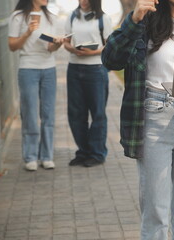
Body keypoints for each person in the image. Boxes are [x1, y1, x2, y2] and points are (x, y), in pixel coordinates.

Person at [101, 0, 174, 238]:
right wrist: (133, 19)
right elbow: (110, 59)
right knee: (155, 213)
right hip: (153, 115)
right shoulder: (145, 20)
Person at [8, 0, 64, 171]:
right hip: (28, 69)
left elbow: (50, 48)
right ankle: (30, 157)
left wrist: (58, 44)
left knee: (48, 115)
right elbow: (12, 46)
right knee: (30, 114)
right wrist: (27, 33)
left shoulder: (51, 17)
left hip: (49, 69)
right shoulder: (17, 16)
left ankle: (47, 156)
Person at [63, 0, 112, 168]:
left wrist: (93, 52)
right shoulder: (72, 17)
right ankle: (83, 152)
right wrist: (73, 50)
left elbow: (109, 46)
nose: (83, 1)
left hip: (96, 70)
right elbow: (66, 42)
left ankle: (97, 153)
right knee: (76, 113)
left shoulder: (103, 19)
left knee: (98, 113)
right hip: (74, 68)